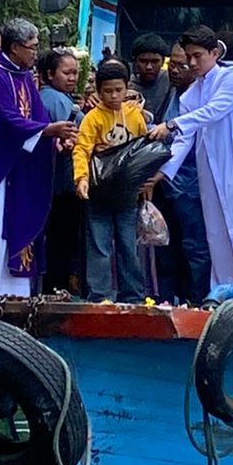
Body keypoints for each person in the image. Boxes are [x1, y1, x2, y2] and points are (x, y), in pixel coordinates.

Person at [0, 19, 77, 297]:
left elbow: (38, 117)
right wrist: (46, 131)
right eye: (31, 48)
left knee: (14, 219)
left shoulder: (22, 75)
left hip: (16, 167)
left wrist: (58, 138)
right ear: (16, 47)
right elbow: (5, 120)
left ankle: (14, 289)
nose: (35, 53)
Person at [150, 25, 233, 289]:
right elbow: (186, 140)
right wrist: (160, 174)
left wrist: (171, 124)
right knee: (216, 233)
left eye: (198, 56)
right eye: (188, 57)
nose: (192, 63)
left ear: (215, 53)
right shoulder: (191, 93)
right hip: (209, 167)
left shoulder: (231, 77)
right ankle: (225, 289)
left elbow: (213, 111)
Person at [72, 60, 149, 303]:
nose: (114, 95)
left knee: (129, 246)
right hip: (99, 193)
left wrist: (147, 182)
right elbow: (81, 149)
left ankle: (133, 296)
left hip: (127, 194)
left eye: (118, 90)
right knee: (99, 246)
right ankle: (100, 295)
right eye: (107, 91)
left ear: (127, 88)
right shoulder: (92, 118)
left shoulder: (136, 115)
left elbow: (144, 149)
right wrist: (81, 178)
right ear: (98, 91)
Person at [156, 42, 212, 303]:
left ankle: (197, 300)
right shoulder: (174, 93)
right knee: (165, 247)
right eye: (173, 64)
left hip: (192, 186)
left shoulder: (199, 98)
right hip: (166, 185)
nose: (176, 70)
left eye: (183, 64)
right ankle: (167, 298)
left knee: (195, 248)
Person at [39, 48, 85, 294]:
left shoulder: (61, 97)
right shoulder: (54, 99)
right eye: (66, 72)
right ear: (49, 73)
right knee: (61, 240)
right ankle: (56, 289)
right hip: (61, 184)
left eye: (75, 72)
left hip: (57, 183)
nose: (72, 77)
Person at [130, 33, 172, 122]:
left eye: (155, 61)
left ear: (163, 61)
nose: (149, 67)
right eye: (143, 61)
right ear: (135, 61)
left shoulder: (171, 80)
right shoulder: (126, 85)